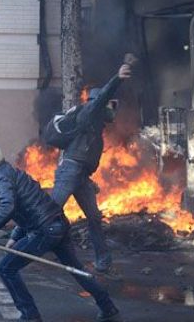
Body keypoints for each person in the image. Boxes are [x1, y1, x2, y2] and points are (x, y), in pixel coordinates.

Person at [0, 145, 119, 322]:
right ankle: (107, 306)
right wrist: (16, 236)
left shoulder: (1, 179)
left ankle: (29, 316)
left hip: (45, 230)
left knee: (6, 269)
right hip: (58, 223)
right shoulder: (10, 172)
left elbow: (7, 208)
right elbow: (27, 206)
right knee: (75, 269)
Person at [50, 59, 133, 273]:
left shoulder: (95, 124)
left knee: (95, 218)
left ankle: (103, 261)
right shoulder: (89, 112)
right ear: (100, 103)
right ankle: (17, 242)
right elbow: (102, 98)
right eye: (110, 105)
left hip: (81, 175)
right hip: (70, 170)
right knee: (49, 210)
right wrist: (117, 79)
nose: (112, 110)